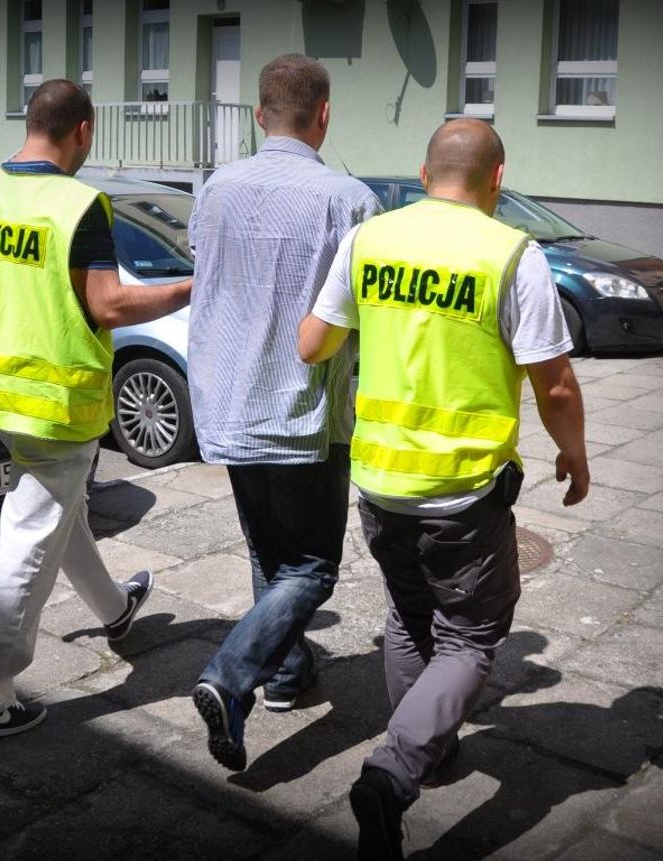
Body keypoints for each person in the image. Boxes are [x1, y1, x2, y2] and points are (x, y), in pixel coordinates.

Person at [298, 117, 590, 859]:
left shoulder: (371, 240)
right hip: (462, 489)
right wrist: (575, 454)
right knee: (470, 633)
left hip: (381, 479)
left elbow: (313, 343)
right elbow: (554, 383)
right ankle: (395, 768)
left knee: (407, 612)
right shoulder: (511, 254)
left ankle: (426, 751)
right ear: (498, 178)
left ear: (427, 175)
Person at [0, 79, 192, 739]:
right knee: (27, 543)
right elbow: (108, 305)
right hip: (59, 408)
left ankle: (115, 608)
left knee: (58, 512)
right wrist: (195, 285)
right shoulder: (78, 205)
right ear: (82, 131)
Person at [186, 54, 381, 771]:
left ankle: (287, 676)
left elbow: (209, 275)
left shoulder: (214, 189)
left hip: (229, 399)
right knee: (312, 568)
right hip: (303, 410)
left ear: (260, 113)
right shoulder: (349, 199)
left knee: (269, 553)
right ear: (323, 113)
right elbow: (362, 314)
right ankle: (230, 677)